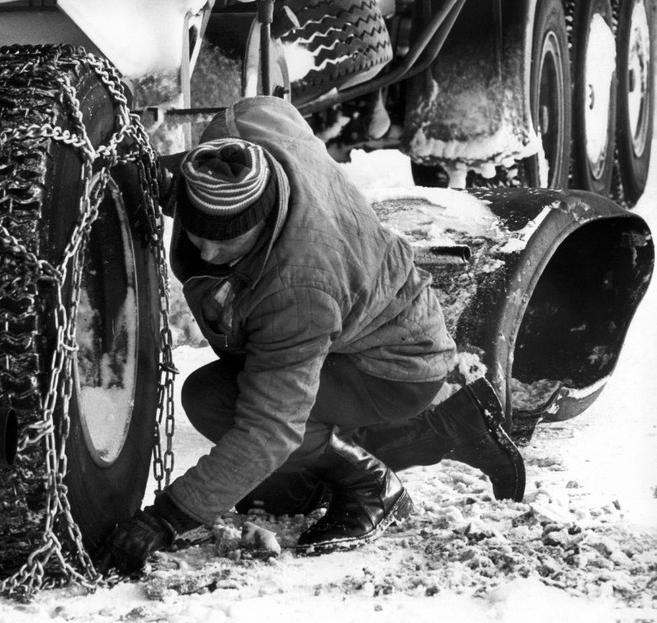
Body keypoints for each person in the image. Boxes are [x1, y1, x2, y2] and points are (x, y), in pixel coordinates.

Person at [102, 96, 524, 574]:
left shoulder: (298, 289)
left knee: (216, 400)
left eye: (226, 241)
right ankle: (430, 429)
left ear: (260, 220)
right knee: (258, 419)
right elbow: (261, 107)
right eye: (197, 234)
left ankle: (372, 486)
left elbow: (270, 430)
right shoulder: (251, 135)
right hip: (357, 329)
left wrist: (168, 518)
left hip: (394, 365)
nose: (208, 251)